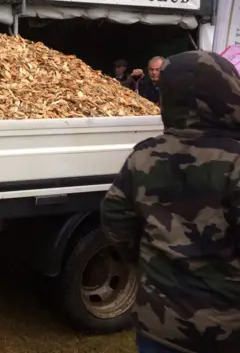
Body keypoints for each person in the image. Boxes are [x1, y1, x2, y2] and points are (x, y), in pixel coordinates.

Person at [101, 50, 240, 353]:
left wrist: (147, 260)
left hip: (158, 326)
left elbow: (115, 216)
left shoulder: (144, 155)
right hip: (224, 331)